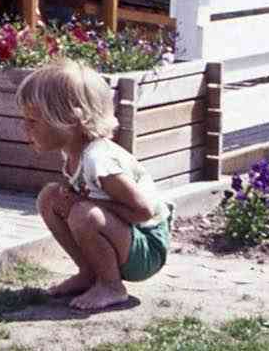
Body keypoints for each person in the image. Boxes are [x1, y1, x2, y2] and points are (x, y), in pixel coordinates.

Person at [20, 59, 169, 311]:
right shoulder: (72, 151)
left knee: (84, 214)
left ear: (70, 119)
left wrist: (85, 203)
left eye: (33, 121)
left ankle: (112, 285)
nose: (24, 127)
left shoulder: (98, 159)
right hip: (126, 239)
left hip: (147, 249)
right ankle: (90, 273)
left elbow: (143, 211)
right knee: (50, 198)